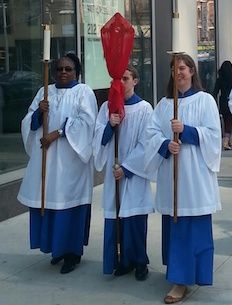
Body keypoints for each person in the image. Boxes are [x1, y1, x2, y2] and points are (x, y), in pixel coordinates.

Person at [145, 54, 222, 304]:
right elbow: (151, 133)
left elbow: (213, 135)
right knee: (176, 224)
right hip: (173, 176)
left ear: (192, 71)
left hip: (195, 176)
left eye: (182, 68)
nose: (178, 72)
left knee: (194, 226)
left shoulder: (205, 100)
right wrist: (166, 144)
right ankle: (179, 277)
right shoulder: (165, 104)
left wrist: (186, 131)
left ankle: (192, 274)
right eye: (173, 68)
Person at [17, 53, 98, 274]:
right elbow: (28, 120)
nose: (63, 72)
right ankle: (57, 249)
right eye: (59, 69)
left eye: (68, 69)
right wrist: (38, 115)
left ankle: (72, 253)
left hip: (71, 162)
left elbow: (87, 122)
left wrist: (59, 133)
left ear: (77, 72)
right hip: (47, 159)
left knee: (69, 204)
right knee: (49, 201)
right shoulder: (45, 91)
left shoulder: (83, 92)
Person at [93, 65, 154, 281]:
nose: (120, 83)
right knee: (116, 216)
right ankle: (121, 261)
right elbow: (98, 137)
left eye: (125, 78)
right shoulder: (106, 108)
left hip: (133, 173)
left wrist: (127, 168)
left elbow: (147, 142)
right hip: (113, 170)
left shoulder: (145, 109)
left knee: (135, 219)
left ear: (135, 81)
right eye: (117, 79)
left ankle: (139, 262)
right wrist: (110, 125)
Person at [213, 60, 232, 150]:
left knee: (225, 122)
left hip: (223, 101)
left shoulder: (220, 78)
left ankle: (228, 141)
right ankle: (225, 142)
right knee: (230, 122)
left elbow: (215, 92)